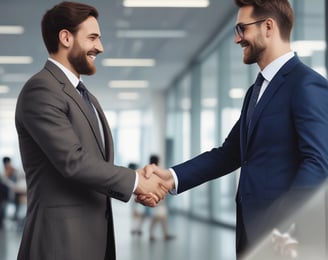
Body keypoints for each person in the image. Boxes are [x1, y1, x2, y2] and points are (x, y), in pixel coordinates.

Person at [138, 0, 328, 258]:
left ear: (268, 27)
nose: (237, 40)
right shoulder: (256, 91)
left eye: (241, 29)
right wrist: (170, 177)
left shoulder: (306, 84)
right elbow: (229, 154)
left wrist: (290, 225)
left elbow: (318, 162)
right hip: (251, 233)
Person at [14, 2, 166, 260]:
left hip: (93, 240)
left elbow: (93, 164)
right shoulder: (41, 90)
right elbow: (73, 162)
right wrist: (137, 182)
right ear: (65, 37)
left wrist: (136, 179)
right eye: (93, 37)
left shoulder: (86, 96)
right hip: (59, 243)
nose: (100, 47)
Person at [148, 155, 175, 241]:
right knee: (157, 217)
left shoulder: (148, 170)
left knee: (162, 217)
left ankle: (164, 234)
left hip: (154, 195)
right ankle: (153, 234)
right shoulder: (156, 170)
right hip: (157, 196)